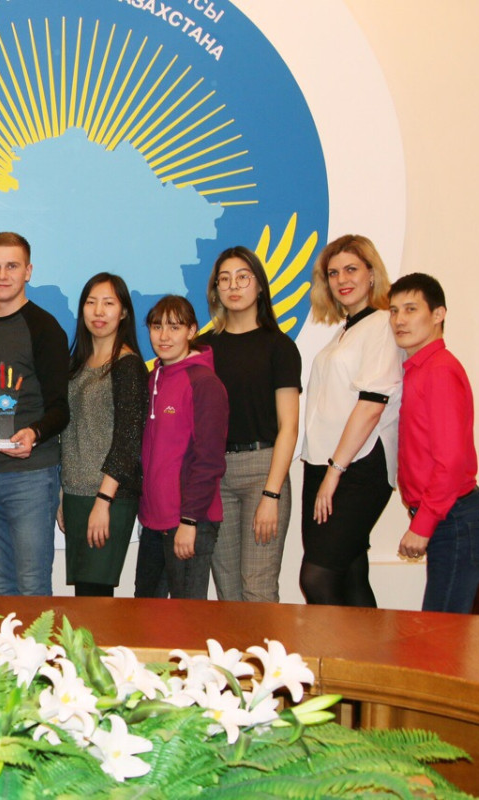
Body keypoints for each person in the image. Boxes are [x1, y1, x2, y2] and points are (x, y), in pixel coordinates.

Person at [0, 232, 69, 596]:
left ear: (28, 271)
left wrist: (34, 434)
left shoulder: (45, 328)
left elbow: (60, 409)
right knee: (0, 584)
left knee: (32, 585)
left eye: (12, 266)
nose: (2, 275)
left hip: (31, 477)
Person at [300, 234, 401, 607]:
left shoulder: (382, 324)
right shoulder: (346, 330)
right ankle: (367, 646)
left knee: (317, 578)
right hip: (326, 465)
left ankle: (340, 649)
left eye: (351, 269)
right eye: (333, 273)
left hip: (357, 467)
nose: (342, 279)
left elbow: (371, 406)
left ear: (372, 274)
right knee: (351, 574)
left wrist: (334, 472)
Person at [197, 246, 302, 603]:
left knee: (257, 588)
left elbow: (289, 427)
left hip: (263, 472)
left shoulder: (279, 347)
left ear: (259, 286)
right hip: (215, 475)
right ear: (215, 290)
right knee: (227, 590)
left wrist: (272, 494)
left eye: (243, 277)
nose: (233, 286)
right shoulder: (202, 350)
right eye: (224, 279)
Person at [389, 273, 479, 613]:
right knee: (441, 631)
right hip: (449, 517)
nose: (399, 320)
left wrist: (422, 525)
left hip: (456, 519)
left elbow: (451, 460)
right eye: (394, 311)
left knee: (440, 634)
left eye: (410, 309)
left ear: (438, 314)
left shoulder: (439, 370)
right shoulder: (418, 368)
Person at [58, 273, 146, 596]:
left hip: (109, 497)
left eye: (108, 303)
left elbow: (128, 440)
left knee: (96, 598)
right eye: (91, 302)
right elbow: (69, 434)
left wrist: (103, 501)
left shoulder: (127, 365)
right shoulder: (76, 364)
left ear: (123, 313)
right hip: (77, 495)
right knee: (85, 597)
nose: (98, 311)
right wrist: (63, 493)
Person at [136, 295, 228, 600]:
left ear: (191, 331)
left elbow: (209, 459)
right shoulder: (153, 379)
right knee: (144, 611)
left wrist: (190, 520)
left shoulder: (204, 383)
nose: (164, 336)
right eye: (157, 327)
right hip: (153, 520)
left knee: (187, 614)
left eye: (174, 327)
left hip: (188, 521)